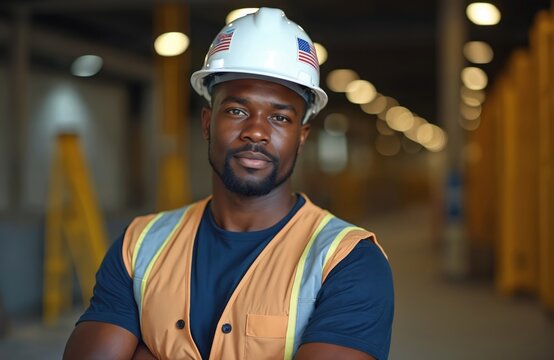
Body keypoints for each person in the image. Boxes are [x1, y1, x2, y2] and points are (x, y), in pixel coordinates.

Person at [63, 7, 393, 360]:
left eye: (280, 117)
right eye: (237, 111)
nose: (256, 131)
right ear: (207, 122)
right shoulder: (139, 246)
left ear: (301, 135)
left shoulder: (349, 261)